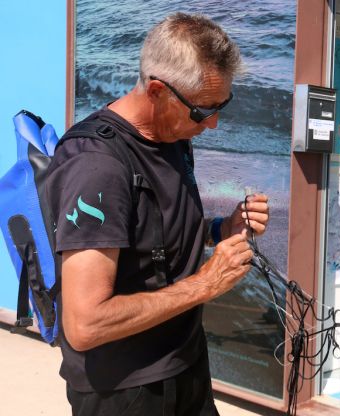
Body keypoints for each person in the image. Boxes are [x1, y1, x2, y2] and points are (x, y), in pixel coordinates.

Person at [46, 13, 270, 415]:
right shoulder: (96, 165)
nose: (214, 123)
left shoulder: (174, 134)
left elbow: (158, 234)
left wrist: (222, 229)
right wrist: (204, 284)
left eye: (222, 106)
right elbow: (85, 325)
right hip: (127, 389)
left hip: (185, 364)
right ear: (156, 91)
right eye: (204, 111)